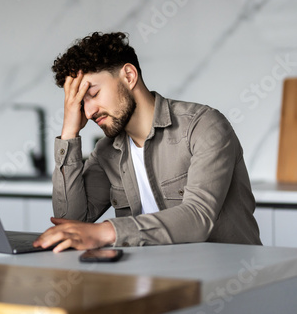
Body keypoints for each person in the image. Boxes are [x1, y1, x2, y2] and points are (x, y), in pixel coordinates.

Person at [33, 32, 262, 253]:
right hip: (155, 280)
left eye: (93, 93)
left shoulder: (203, 126)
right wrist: (69, 133)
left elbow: (198, 217)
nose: (89, 111)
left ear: (129, 76)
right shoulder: (106, 152)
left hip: (226, 280)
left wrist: (106, 231)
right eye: (81, 103)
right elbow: (70, 222)